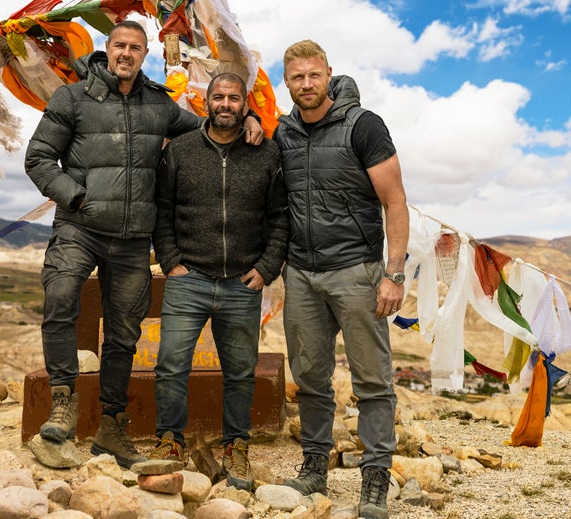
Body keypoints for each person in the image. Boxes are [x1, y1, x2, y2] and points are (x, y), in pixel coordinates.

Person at [24, 20, 264, 469]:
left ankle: (111, 428)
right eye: (120, 46)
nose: (126, 54)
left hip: (134, 239)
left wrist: (247, 116)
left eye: (136, 47)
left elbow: (210, 126)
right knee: (59, 295)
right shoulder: (71, 98)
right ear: (107, 49)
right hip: (80, 227)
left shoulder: (160, 104)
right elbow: (37, 158)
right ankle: (63, 403)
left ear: (145, 53)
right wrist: (76, 197)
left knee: (123, 333)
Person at [273, 40, 409, 519]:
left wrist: (394, 274)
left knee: (372, 379)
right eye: (296, 78)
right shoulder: (283, 132)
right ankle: (314, 465)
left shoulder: (363, 125)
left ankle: (375, 478)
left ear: (328, 74)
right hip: (302, 273)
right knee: (309, 375)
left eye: (313, 75)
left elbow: (395, 201)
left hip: (358, 270)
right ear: (285, 81)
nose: (306, 85)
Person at [150, 72, 288, 490]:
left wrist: (266, 269)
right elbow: (162, 210)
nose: (225, 104)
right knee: (171, 365)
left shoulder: (266, 154)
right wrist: (171, 261)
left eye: (233, 98)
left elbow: (280, 218)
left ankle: (236, 446)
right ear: (205, 103)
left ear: (245, 106)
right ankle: (169, 440)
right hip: (188, 279)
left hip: (241, 284)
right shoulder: (181, 151)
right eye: (218, 97)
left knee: (240, 371)